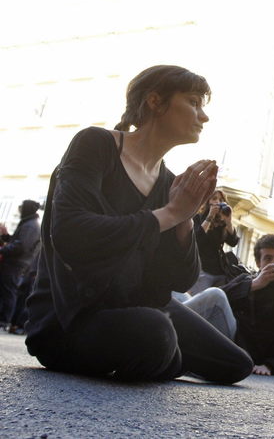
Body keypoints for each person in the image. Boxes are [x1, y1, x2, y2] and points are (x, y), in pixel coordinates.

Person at [24, 65, 253, 383]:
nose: (204, 116)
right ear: (155, 101)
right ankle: (165, 354)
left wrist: (185, 217)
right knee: (155, 333)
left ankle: (165, 356)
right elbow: (72, 232)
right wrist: (171, 213)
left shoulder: (169, 183)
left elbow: (177, 278)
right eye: (194, 102)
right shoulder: (96, 144)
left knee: (235, 364)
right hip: (69, 319)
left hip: (138, 306)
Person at [221, 234, 274, 376]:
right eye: (268, 259)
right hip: (231, 347)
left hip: (251, 360)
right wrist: (253, 285)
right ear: (258, 263)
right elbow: (216, 298)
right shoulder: (246, 281)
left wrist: (270, 366)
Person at [0, 200, 42, 330]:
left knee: (9, 292)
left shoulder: (30, 225)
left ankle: (4, 321)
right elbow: (18, 241)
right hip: (16, 263)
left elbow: (21, 246)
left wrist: (2, 250)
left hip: (16, 264)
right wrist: (7, 236)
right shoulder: (28, 223)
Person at [188, 190, 240, 294]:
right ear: (208, 201)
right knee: (198, 299)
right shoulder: (198, 217)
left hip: (219, 270)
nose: (218, 202)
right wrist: (210, 216)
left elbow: (233, 242)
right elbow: (197, 239)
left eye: (221, 200)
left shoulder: (221, 222)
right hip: (203, 268)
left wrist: (228, 221)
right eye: (214, 198)